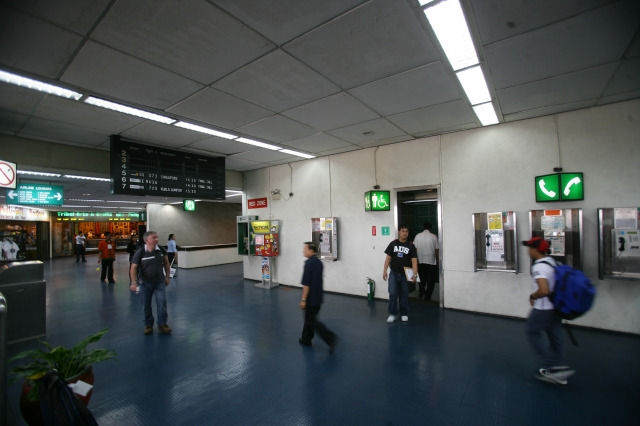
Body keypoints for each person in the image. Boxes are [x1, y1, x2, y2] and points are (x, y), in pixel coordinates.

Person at [523, 237, 575, 385]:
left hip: (544, 308)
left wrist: (533, 296)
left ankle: (553, 367)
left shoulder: (539, 266)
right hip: (556, 308)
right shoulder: (551, 262)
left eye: (529, 247)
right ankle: (560, 369)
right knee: (555, 338)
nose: (528, 250)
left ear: (535, 249)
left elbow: (544, 290)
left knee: (531, 332)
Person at [129, 231, 172, 335]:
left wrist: (167, 277)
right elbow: (133, 268)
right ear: (146, 240)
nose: (156, 239)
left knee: (162, 303)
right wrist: (133, 283)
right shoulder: (140, 252)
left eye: (157, 237)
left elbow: (166, 263)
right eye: (153, 238)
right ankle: (148, 325)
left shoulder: (161, 250)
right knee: (146, 305)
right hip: (145, 284)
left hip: (159, 283)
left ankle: (162, 324)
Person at [298, 241, 337, 352]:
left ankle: (330, 338)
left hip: (311, 298)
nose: (303, 251)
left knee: (312, 321)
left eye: (305, 249)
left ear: (311, 251)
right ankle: (306, 339)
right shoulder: (319, 263)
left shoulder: (308, 264)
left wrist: (303, 299)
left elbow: (306, 284)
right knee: (308, 319)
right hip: (318, 297)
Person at [382, 225, 418, 323]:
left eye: (406, 231)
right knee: (393, 293)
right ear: (399, 232)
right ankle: (393, 314)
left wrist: (414, 275)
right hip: (393, 273)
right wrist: (384, 270)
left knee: (404, 294)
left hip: (406, 274)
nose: (404, 233)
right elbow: (388, 258)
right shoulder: (393, 244)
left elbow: (414, 261)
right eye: (403, 231)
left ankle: (404, 313)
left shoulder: (411, 245)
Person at [413, 222, 439, 300]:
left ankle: (421, 292)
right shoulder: (434, 236)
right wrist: (438, 260)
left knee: (421, 278)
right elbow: (437, 250)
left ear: (423, 227)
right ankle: (428, 295)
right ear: (430, 228)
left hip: (420, 260)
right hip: (431, 261)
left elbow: (415, 249)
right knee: (431, 279)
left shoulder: (418, 236)